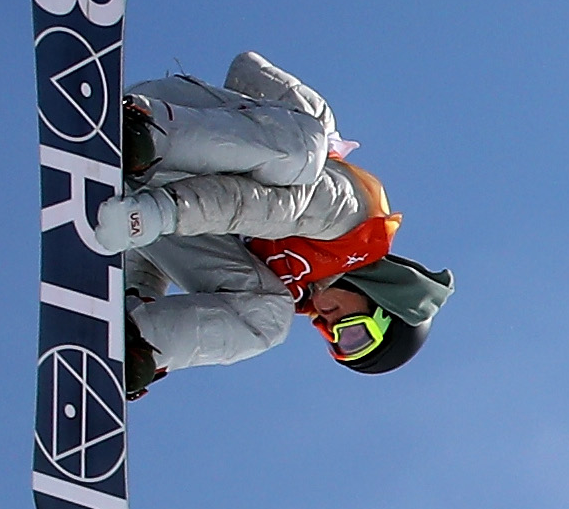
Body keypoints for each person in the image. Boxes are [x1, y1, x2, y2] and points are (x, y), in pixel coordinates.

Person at [83, 52, 455, 394]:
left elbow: (167, 251)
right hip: (181, 126)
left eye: (336, 343)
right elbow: (254, 205)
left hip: (149, 197)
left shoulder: (289, 291)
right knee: (305, 148)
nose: (329, 327)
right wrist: (160, 212)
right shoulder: (355, 224)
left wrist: (134, 292)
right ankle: (144, 134)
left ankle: (136, 342)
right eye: (356, 335)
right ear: (382, 304)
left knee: (268, 320)